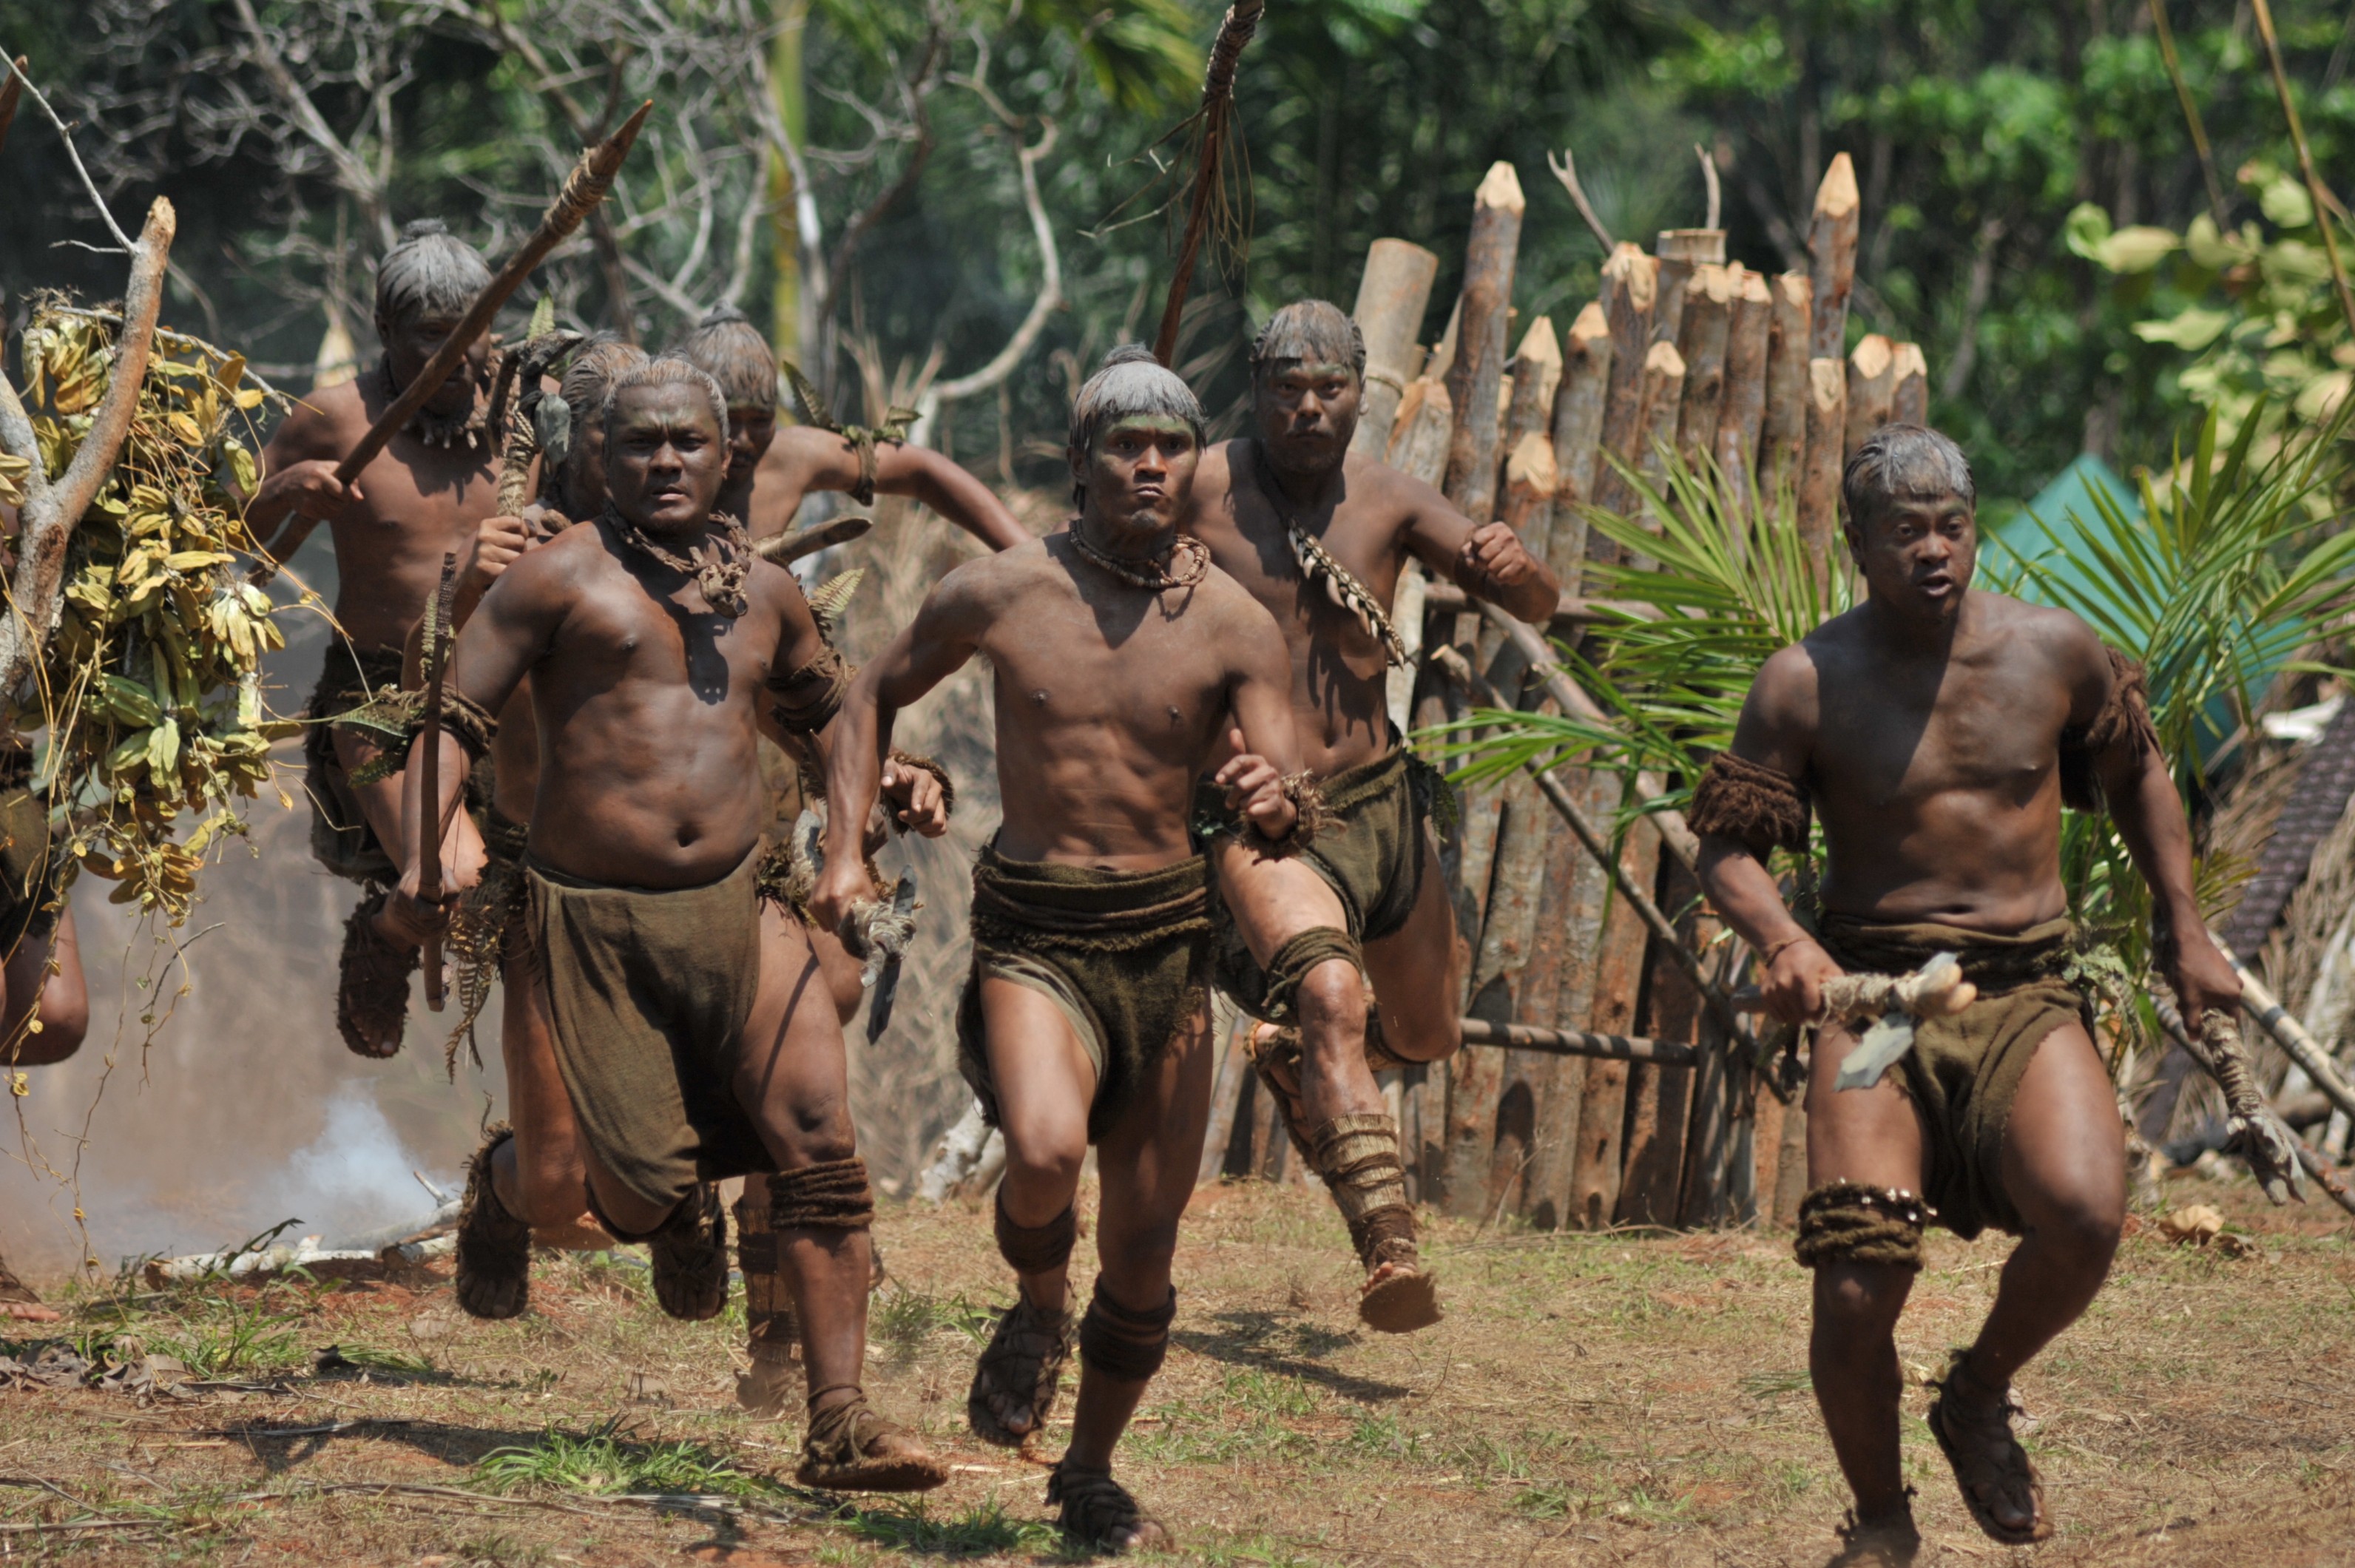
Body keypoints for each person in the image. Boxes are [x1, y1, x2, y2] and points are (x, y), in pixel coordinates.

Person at [398, 354, 947, 1490]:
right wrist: (426, 848)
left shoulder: (767, 593)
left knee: (819, 1143)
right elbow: (453, 711)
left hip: (741, 910)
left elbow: (840, 717)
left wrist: (860, 829)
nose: (662, 461)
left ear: (728, 455)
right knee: (599, 1197)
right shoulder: (556, 579)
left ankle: (838, 1421)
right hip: (583, 924)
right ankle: (506, 1186)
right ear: (599, 453)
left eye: (686, 443)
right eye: (639, 442)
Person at [1689, 425, 2238, 1560]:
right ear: (1859, 543)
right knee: (1855, 1280)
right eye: (1905, 532)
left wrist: (2185, 929)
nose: (1934, 552)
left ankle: (1978, 1391)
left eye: (1953, 527)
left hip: (2026, 986)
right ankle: (1883, 1522)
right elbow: (1727, 851)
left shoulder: (2055, 652)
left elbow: (2138, 774)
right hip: (1874, 1004)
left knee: (2089, 1215)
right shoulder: (1805, 681)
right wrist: (1785, 941)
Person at [814, 345, 1310, 1552]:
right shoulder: (1003, 592)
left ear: (1194, 468)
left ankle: (1087, 1468)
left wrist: (1266, 794)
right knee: (1039, 1147)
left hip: (1166, 943)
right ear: (1078, 463)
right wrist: (846, 848)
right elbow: (867, 694)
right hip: (1034, 929)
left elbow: (1290, 790)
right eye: (1124, 448)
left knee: (1142, 1253)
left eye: (1170, 448)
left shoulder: (1236, 623)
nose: (1148, 465)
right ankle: (1039, 1301)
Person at [1179, 300, 1559, 1331]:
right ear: (1254, 388)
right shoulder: (1196, 488)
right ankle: (1392, 1255)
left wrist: (1519, 574)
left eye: (1329, 388)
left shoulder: (1389, 501)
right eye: (1286, 387)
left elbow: (1532, 601)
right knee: (1334, 996)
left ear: (1360, 395)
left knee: (1427, 1033)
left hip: (1381, 802)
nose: (1307, 407)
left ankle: (1298, 1063)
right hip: (1261, 814)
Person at [246, 218, 504, 1058]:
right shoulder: (335, 416)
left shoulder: (529, 417)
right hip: (386, 695)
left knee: (543, 905)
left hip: (511, 691)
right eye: (437, 336)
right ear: (386, 332)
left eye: (476, 331)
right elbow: (219, 535)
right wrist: (284, 486)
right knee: (453, 879)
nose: (461, 356)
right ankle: (386, 934)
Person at [669, 305, 1030, 552]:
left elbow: (921, 471)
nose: (745, 439)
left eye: (761, 420)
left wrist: (1028, 557)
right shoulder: (653, 474)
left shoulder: (793, 455)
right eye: (730, 421)